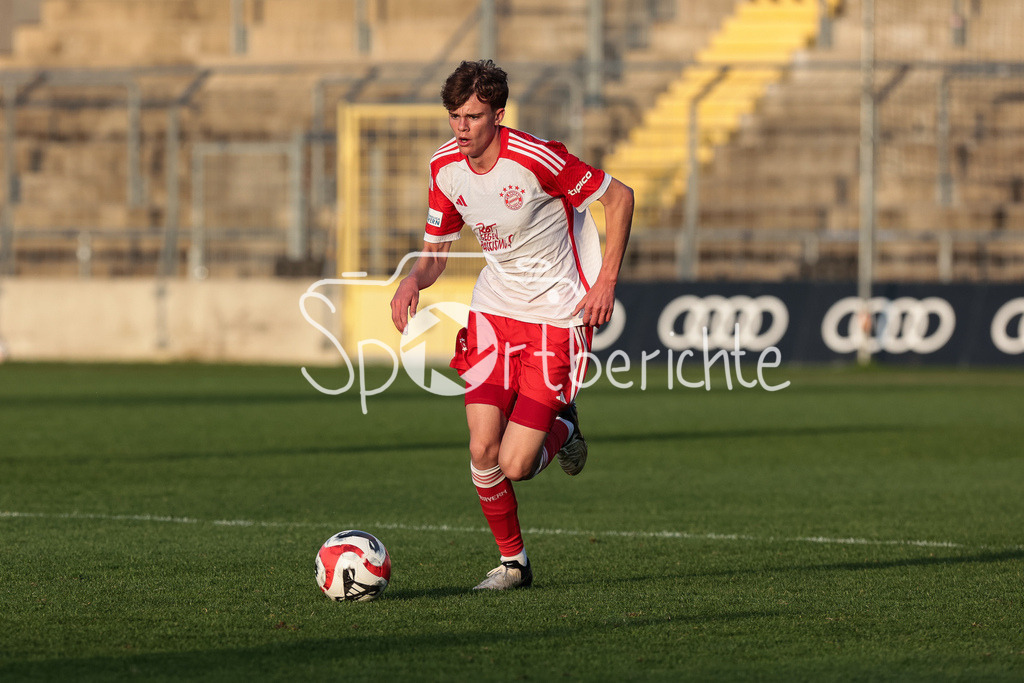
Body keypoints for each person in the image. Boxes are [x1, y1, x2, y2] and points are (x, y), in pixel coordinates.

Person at [390, 59, 633, 590]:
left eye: (473, 117)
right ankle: (513, 564)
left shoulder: (537, 159)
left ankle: (564, 428)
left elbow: (620, 197)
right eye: (454, 116)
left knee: (516, 464)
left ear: (498, 115)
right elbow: (435, 254)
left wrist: (605, 282)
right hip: (494, 311)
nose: (461, 128)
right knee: (482, 450)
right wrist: (412, 280)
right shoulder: (444, 167)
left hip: (553, 314)